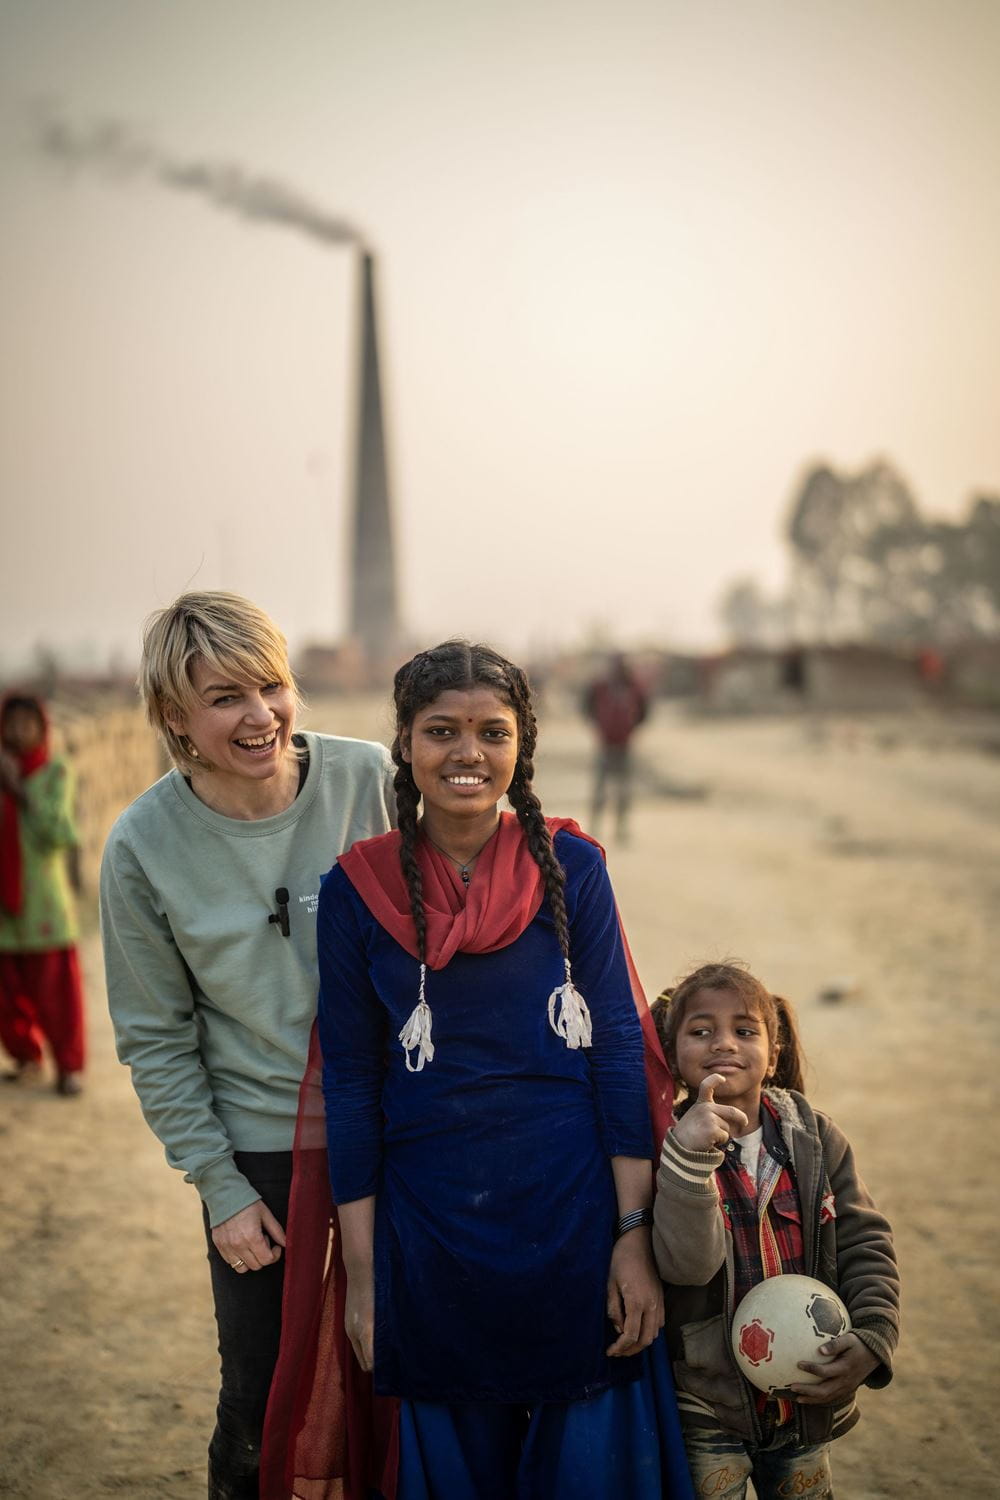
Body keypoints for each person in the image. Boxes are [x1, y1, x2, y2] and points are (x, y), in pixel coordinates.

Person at [268, 641, 694, 1500]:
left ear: (521, 746)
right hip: (429, 1237)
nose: (467, 753)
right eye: (441, 731)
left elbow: (616, 1048)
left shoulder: (574, 871)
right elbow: (351, 1085)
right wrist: (363, 1279)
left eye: (492, 732)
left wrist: (633, 1239)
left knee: (582, 1470)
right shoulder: (356, 893)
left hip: (573, 1223)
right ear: (406, 744)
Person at [99, 591, 396, 1500]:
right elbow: (155, 1037)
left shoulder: (370, 780)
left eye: (271, 687)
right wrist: (220, 1188)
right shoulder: (143, 848)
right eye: (226, 697)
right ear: (173, 717)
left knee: (408, 1375)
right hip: (263, 1157)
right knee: (264, 1396)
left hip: (398, 1131)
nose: (260, 716)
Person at [649, 963, 899, 1500]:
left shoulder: (813, 1138)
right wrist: (690, 1159)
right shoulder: (666, 1146)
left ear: (775, 1049)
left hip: (807, 1389)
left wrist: (875, 1333)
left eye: (744, 1030)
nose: (723, 1044)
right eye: (700, 1031)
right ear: (672, 1054)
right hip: (706, 1400)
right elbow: (686, 1267)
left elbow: (865, 1241)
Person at [0, 692, 86, 1094]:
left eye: (26, 723)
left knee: (57, 995)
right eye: (10, 723)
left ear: (42, 728)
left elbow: (59, 833)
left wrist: (21, 790)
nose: (18, 732)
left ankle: (68, 1067)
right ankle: (25, 1057)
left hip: (44, 904)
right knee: (7, 995)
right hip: (5, 905)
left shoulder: (54, 772)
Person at [582, 652, 649, 844]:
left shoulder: (634, 688)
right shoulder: (600, 687)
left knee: (623, 790)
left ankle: (621, 830)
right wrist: (599, 725)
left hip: (625, 745)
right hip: (605, 745)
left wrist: (631, 728)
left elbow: (644, 711)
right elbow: (587, 707)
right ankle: (595, 828)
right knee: (600, 790)